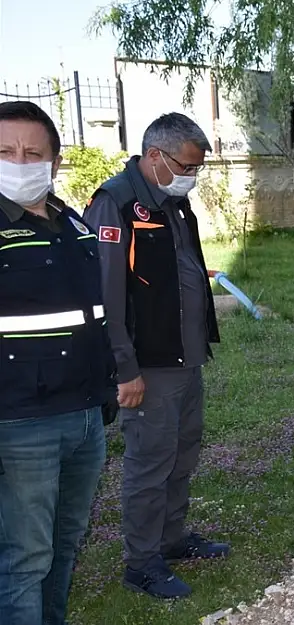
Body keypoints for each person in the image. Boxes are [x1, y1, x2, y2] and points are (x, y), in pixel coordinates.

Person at [83, 112, 224, 599]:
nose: (192, 175)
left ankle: (171, 539)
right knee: (149, 463)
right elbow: (106, 294)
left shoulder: (174, 204)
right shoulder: (116, 204)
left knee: (182, 455)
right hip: (149, 365)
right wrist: (125, 368)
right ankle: (141, 562)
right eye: (187, 165)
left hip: (186, 358)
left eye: (197, 167)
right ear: (155, 156)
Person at [0, 101, 116, 624]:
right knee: (26, 558)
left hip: (86, 415)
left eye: (32, 152)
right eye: (5, 152)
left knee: (65, 545)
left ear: (54, 161)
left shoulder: (71, 220)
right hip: (22, 422)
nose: (19, 162)